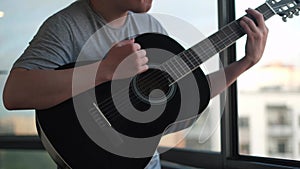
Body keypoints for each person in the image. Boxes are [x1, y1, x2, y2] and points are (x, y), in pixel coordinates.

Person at [2, 0, 268, 168]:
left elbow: (184, 98)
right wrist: (104, 70)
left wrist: (245, 63)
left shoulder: (149, 25)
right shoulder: (66, 26)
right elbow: (15, 94)